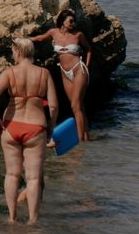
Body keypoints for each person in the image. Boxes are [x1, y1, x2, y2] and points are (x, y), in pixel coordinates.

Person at [0, 37, 57, 224]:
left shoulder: (9, 73)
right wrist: (51, 127)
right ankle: (33, 221)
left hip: (11, 125)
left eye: (13, 52)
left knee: (12, 174)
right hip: (35, 127)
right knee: (33, 178)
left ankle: (12, 217)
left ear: (17, 52)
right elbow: (53, 106)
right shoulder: (44, 74)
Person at [32, 9, 94, 142]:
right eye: (70, 21)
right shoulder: (53, 32)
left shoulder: (78, 35)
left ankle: (79, 139)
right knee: (78, 106)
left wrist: (87, 67)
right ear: (63, 21)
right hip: (65, 73)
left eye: (74, 21)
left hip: (79, 71)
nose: (73, 23)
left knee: (75, 106)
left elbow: (89, 49)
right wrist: (25, 39)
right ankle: (86, 137)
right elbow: (40, 38)